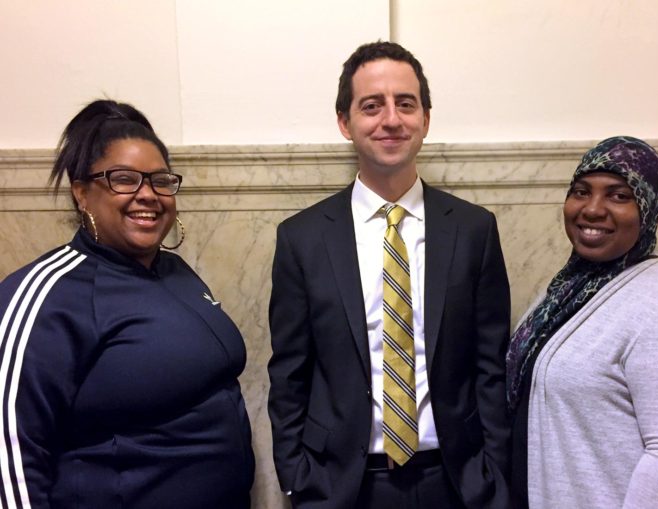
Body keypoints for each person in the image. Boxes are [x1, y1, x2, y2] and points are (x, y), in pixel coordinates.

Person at [268, 41, 511, 509]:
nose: (392, 119)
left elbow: (489, 366)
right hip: (342, 485)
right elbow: (289, 373)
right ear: (345, 122)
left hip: (456, 481)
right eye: (372, 106)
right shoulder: (302, 238)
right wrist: (297, 476)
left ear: (426, 118)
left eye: (406, 103)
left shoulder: (473, 229)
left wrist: (493, 471)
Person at [0, 99, 255, 508]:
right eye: (123, 179)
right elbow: (10, 461)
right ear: (81, 193)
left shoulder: (176, 272)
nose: (148, 195)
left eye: (160, 180)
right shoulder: (49, 295)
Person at [506, 136, 658, 508]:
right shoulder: (563, 294)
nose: (592, 209)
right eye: (581, 192)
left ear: (648, 207)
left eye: (618, 195)